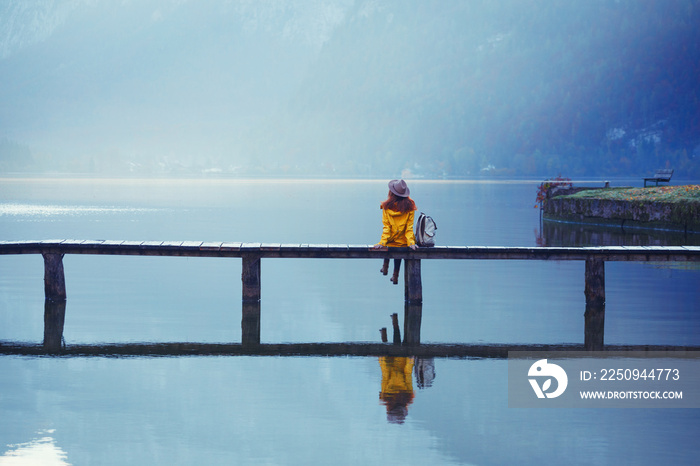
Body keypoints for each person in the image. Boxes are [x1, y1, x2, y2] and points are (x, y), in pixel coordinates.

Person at [373, 179, 418, 284]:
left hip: (390, 240)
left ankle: (385, 267)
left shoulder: (386, 206)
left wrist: (382, 243)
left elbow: (386, 227)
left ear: (391, 193)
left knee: (389, 243)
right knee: (400, 248)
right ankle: (395, 275)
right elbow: (409, 228)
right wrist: (411, 243)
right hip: (403, 242)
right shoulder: (410, 206)